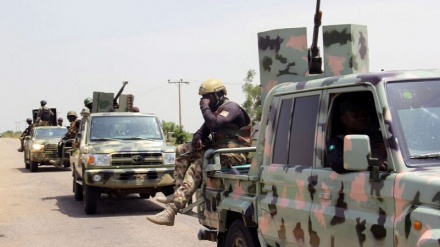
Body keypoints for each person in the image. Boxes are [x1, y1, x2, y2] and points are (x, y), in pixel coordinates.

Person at [147, 79, 252, 226]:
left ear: (219, 95)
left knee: (197, 166)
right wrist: (197, 138)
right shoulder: (215, 112)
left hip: (234, 154)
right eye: (203, 97)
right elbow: (203, 130)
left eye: (207, 96)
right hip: (218, 152)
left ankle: (172, 210)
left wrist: (204, 108)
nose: (204, 100)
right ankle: (178, 191)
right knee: (182, 150)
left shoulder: (232, 108)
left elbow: (215, 123)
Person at [326, 94, 387, 174]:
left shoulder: (382, 137)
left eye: (365, 114)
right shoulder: (338, 142)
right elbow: (337, 163)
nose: (362, 118)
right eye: (355, 115)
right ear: (343, 119)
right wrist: (372, 162)